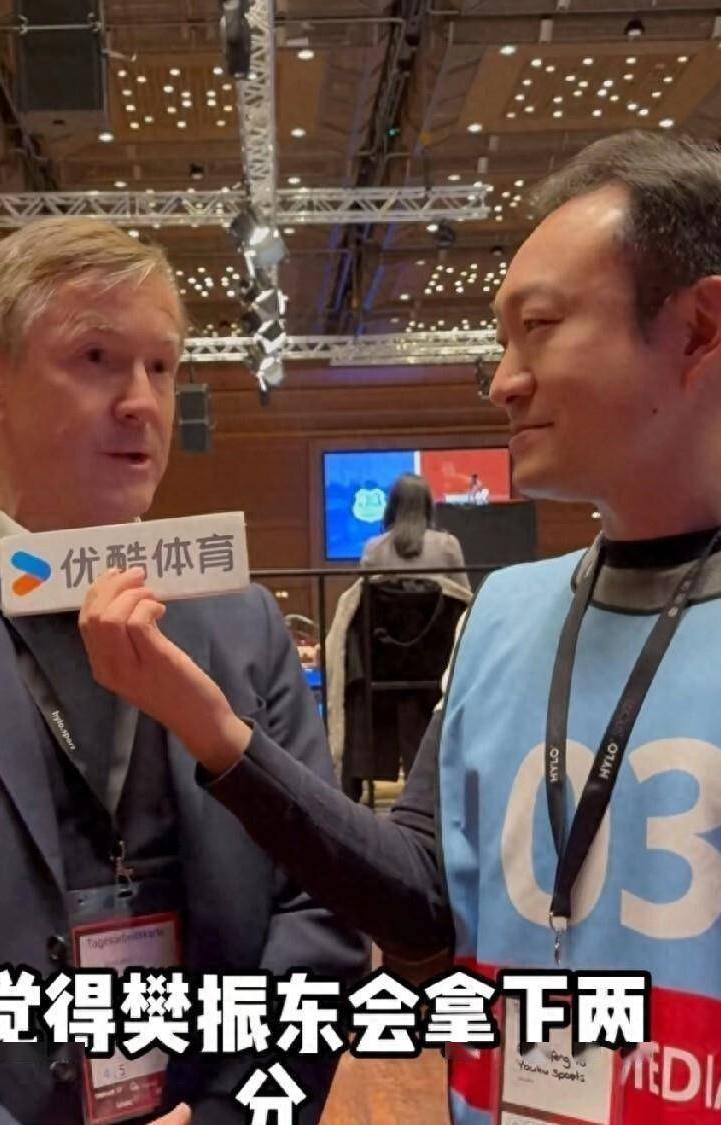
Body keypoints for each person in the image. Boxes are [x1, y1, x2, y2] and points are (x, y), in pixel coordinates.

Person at [79, 130, 721, 1124]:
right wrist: (214, 729)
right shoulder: (502, 612)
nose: (503, 380)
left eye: (540, 326)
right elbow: (420, 907)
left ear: (700, 328)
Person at [0, 218, 367, 1125]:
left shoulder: (243, 624)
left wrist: (235, 1116)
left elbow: (320, 912)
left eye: (162, 365)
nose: (143, 401)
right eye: (98, 358)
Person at [359, 472, 470, 589]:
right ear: (428, 506)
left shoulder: (373, 549)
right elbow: (464, 596)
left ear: (392, 506)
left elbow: (363, 596)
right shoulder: (448, 545)